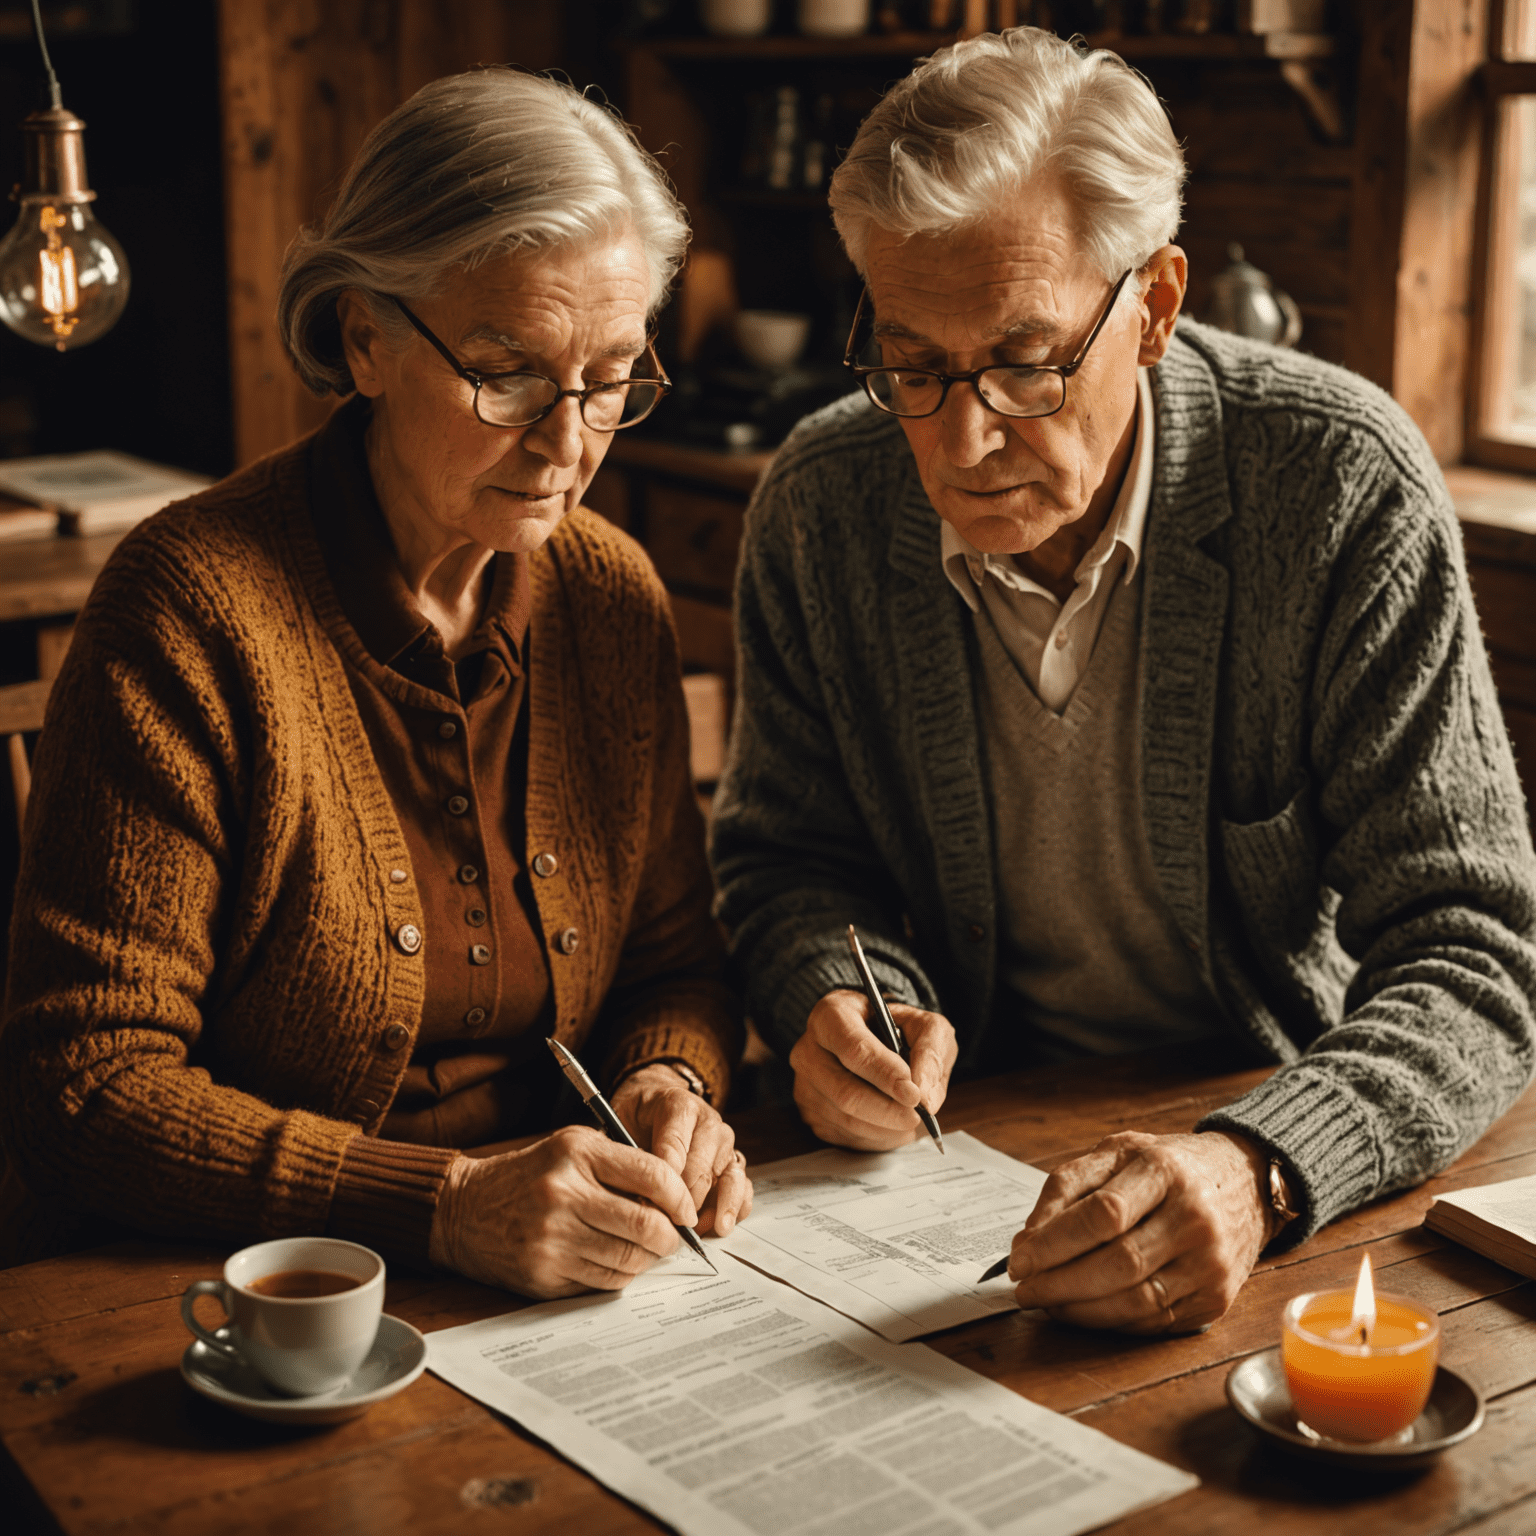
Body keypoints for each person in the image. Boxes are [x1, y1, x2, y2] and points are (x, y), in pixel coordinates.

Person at [711, 28, 1536, 1334]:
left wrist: (1261, 1165)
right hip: (946, 1176)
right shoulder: (821, 503)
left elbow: (1480, 954)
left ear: (1152, 306)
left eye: (1027, 361)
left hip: (1281, 1138)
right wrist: (840, 992)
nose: (963, 439)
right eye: (914, 365)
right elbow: (785, 861)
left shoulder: (1339, 486)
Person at [0, 69, 753, 1296]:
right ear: (366, 337)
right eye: (507, 373)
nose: (569, 444)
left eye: (613, 375)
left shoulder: (611, 598)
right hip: (232, 1298)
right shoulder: (189, 610)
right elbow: (82, 1086)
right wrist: (444, 1205)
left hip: (563, 1284)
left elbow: (675, 965)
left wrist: (670, 1084)